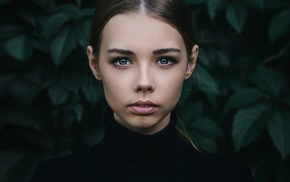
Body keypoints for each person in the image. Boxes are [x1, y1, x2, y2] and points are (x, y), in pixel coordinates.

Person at [31, 0, 253, 181]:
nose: (144, 83)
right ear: (94, 63)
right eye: (122, 61)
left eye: (165, 60)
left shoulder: (230, 177)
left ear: (191, 62)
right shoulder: (53, 177)